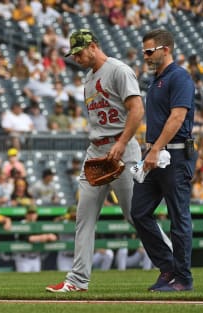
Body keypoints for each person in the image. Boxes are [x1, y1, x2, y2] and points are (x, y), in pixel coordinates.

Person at [46, 29, 145, 292]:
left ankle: (172, 267)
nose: (76, 58)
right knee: (84, 216)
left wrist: (122, 143)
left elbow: (137, 109)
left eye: (79, 52)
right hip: (96, 151)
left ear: (92, 46)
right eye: (73, 54)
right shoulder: (88, 80)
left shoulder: (118, 70)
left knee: (136, 215)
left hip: (123, 149)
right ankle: (77, 280)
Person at [130, 28, 197, 292]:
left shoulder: (179, 77)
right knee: (139, 211)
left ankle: (183, 279)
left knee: (178, 216)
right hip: (156, 153)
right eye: (144, 51)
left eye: (149, 51)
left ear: (165, 49)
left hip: (176, 153)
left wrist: (155, 149)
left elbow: (177, 117)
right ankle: (168, 268)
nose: (145, 56)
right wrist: (151, 150)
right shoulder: (155, 79)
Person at [14, 205, 57, 272]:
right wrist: (45, 237)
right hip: (23, 258)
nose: (32, 215)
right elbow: (29, 238)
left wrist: (46, 237)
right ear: (26, 214)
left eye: (33, 213)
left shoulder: (37, 225)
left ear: (36, 215)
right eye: (30, 213)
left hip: (36, 258)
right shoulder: (22, 223)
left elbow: (53, 237)